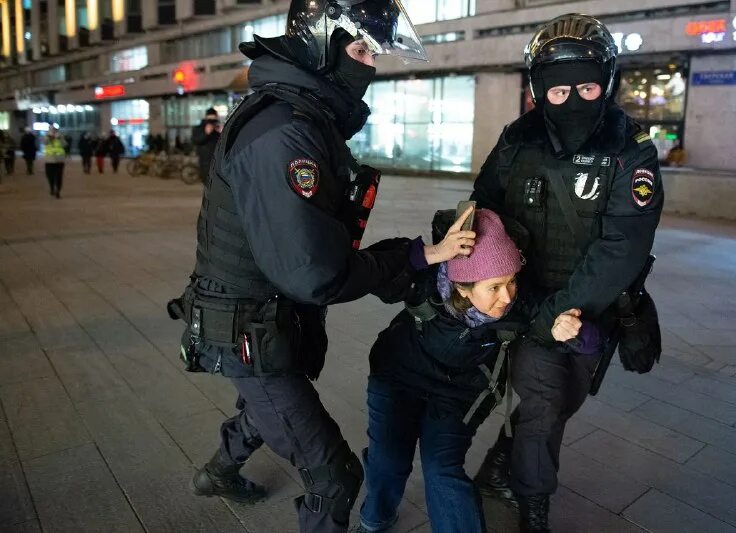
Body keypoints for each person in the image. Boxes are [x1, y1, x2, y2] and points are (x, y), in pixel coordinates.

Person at [170, 2, 459, 532]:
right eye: (358, 49)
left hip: (259, 317)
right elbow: (315, 272)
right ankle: (224, 472)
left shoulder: (299, 115)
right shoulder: (286, 131)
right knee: (334, 477)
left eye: (374, 52)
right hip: (247, 330)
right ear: (318, 46)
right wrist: (409, 259)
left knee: (266, 408)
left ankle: (216, 473)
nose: (369, 64)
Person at [470, 14, 664, 532]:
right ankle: (532, 505)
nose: (573, 100)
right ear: (538, 92)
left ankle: (500, 464)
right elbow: (483, 207)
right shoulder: (519, 139)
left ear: (608, 82)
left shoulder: (630, 147)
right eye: (558, 92)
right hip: (528, 301)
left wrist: (564, 310)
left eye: (587, 86)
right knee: (546, 401)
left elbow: (624, 242)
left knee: (566, 398)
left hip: (589, 308)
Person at [357, 209, 542, 533]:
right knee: (389, 459)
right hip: (399, 376)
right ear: (462, 288)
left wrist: (572, 325)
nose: (507, 295)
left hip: (461, 394)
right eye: (495, 286)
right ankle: (375, 519)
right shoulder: (425, 281)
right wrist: (429, 253)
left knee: (442, 469)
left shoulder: (520, 306)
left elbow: (556, 316)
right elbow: (367, 269)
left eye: (511, 281)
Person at [191, 107, 221, 184]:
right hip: (205, 162)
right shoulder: (198, 128)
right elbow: (196, 141)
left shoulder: (217, 129)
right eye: (210, 120)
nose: (212, 123)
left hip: (218, 162)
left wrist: (223, 133)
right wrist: (206, 133)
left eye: (214, 120)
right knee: (207, 185)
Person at [43, 126, 67, 198]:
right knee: (49, 176)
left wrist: (59, 138)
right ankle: (52, 188)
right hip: (49, 160)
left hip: (59, 160)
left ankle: (58, 191)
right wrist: (49, 137)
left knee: (58, 176)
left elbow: (65, 145)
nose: (53, 132)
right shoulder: (47, 137)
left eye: (54, 130)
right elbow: (45, 142)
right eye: (51, 130)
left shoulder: (60, 137)